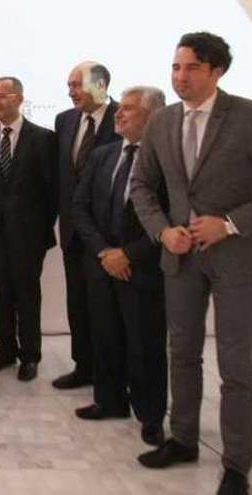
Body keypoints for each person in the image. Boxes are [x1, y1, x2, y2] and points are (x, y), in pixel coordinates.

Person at [131, 32, 252, 495]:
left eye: (192, 68)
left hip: (236, 259)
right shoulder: (161, 121)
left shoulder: (244, 117)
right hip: (178, 258)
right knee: (181, 353)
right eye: (176, 67)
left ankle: (237, 463)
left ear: (217, 71)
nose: (181, 77)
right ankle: (182, 438)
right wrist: (163, 230)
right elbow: (142, 187)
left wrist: (230, 224)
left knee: (237, 366)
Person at [73, 86, 168, 446]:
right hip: (102, 263)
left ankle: (150, 415)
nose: (119, 114)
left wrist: (128, 255)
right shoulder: (103, 155)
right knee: (105, 334)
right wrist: (104, 252)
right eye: (121, 108)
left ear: (153, 117)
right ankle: (109, 400)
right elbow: (80, 207)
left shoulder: (164, 160)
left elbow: (169, 216)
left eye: (129, 109)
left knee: (144, 343)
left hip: (142, 266)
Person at [0, 77, 57, 382]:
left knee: (27, 294)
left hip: (29, 234)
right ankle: (5, 349)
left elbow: (52, 193)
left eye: (2, 96)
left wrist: (40, 228)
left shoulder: (43, 138)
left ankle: (30, 356)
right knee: (2, 293)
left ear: (19, 98)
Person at [53, 61, 121, 390]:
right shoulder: (64, 120)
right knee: (77, 303)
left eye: (77, 85)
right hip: (72, 231)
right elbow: (63, 177)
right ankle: (83, 367)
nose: (70, 92)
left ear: (100, 85)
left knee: (107, 310)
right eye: (69, 85)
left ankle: (110, 377)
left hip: (109, 235)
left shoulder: (123, 117)